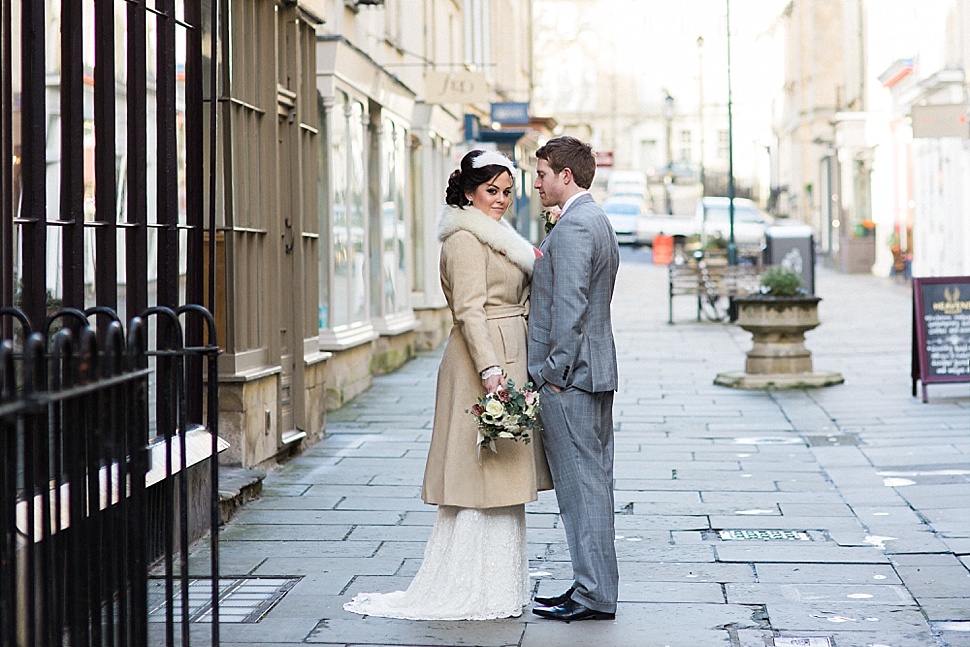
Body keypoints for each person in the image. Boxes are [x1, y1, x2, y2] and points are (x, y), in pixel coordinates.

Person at [343, 149, 552, 621]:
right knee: (478, 472)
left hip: (509, 353)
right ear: (468, 192)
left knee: (503, 471)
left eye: (506, 192)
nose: (500, 200)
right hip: (483, 361)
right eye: (490, 191)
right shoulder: (462, 238)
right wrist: (490, 370)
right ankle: (468, 586)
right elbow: (469, 311)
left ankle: (499, 585)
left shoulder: (498, 235)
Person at [527, 136, 620, 622]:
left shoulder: (577, 225)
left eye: (542, 174)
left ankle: (593, 595)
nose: (536, 183)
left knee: (580, 489)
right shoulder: (595, 219)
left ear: (566, 175)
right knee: (593, 485)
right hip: (593, 372)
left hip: (573, 378)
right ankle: (592, 587)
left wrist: (551, 374)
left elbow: (571, 308)